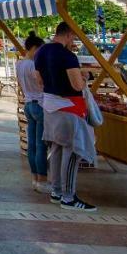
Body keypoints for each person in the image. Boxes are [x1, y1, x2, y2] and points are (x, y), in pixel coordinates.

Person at [36, 22, 98, 212]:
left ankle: (56, 191)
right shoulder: (68, 56)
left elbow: (38, 80)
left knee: (56, 148)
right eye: (74, 37)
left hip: (50, 105)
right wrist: (85, 76)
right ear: (69, 35)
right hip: (69, 108)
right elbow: (77, 85)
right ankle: (69, 197)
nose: (74, 42)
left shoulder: (42, 51)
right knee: (72, 151)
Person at [15, 33, 48, 191]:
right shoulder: (34, 65)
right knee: (41, 145)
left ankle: (35, 178)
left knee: (32, 144)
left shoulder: (19, 64)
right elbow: (41, 81)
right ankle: (42, 179)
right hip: (40, 104)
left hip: (28, 104)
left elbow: (21, 85)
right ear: (34, 48)